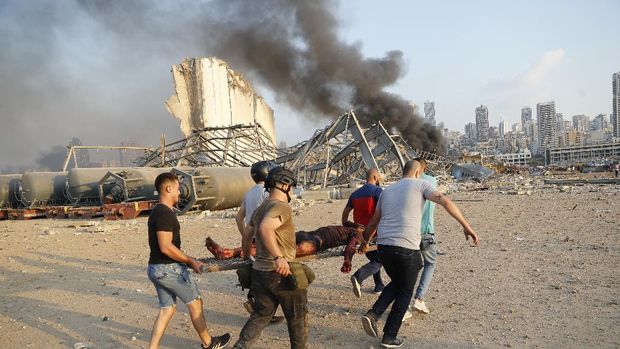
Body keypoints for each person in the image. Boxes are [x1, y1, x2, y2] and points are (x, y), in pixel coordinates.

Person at [358, 160, 480, 348]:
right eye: (422, 171)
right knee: (406, 291)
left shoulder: (387, 191)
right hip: (406, 248)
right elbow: (445, 201)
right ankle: (389, 336)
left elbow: (374, 222)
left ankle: (374, 314)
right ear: (418, 172)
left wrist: (365, 243)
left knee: (399, 282)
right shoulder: (421, 184)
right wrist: (467, 226)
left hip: (384, 248)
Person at [146, 172, 231, 349]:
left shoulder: (158, 211)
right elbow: (166, 246)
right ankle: (209, 343)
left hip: (156, 269)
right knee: (195, 303)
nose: (179, 192)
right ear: (168, 188)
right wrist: (190, 261)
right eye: (177, 188)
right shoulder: (163, 213)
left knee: (167, 309)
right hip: (168, 270)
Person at [233, 166, 307, 349]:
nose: (292, 191)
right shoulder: (281, 206)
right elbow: (265, 228)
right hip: (281, 273)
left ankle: (241, 346)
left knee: (261, 315)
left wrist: (248, 258)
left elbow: (247, 235)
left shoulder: (260, 208)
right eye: (291, 186)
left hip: (260, 273)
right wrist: (279, 257)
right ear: (285, 184)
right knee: (297, 318)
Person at [234, 160, 278, 316]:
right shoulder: (269, 192)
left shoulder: (249, 193)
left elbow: (239, 218)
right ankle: (263, 312)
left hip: (255, 241)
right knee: (273, 276)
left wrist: (246, 236)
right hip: (269, 240)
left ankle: (256, 303)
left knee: (258, 272)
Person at [206, 225, 363, 263]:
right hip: (314, 242)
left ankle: (227, 252)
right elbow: (350, 247)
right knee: (284, 252)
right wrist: (347, 261)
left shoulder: (346, 227)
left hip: (305, 234)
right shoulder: (355, 233)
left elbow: (347, 219)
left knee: (275, 242)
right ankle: (252, 253)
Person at [341, 168, 385, 297]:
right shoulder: (378, 191)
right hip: (375, 234)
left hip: (360, 235)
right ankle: (359, 276)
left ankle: (379, 285)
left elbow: (344, 219)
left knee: (373, 259)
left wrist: (355, 226)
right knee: (379, 261)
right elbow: (381, 215)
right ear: (376, 178)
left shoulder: (355, 194)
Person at [412, 158, 437, 314]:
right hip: (426, 232)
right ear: (424, 168)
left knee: (411, 268)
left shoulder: (406, 183)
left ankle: (406, 302)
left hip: (409, 232)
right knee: (430, 264)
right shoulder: (430, 180)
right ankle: (419, 298)